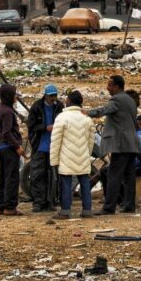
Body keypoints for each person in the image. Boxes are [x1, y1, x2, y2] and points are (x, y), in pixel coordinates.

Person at [88, 74, 140, 214]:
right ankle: (129, 206)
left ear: (117, 87)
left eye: (110, 85)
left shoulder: (116, 100)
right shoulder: (130, 100)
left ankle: (109, 207)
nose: (107, 88)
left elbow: (104, 110)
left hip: (121, 145)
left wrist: (87, 112)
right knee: (129, 177)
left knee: (113, 175)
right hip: (132, 144)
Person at [49, 90, 95, 219]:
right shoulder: (87, 119)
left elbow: (55, 142)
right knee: (85, 183)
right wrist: (87, 153)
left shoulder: (61, 118)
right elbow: (91, 141)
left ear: (68, 101)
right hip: (83, 155)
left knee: (66, 185)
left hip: (66, 157)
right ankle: (87, 210)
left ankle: (65, 211)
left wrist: (54, 160)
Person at [26, 84, 63, 212]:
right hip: (40, 146)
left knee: (53, 176)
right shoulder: (37, 107)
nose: (53, 98)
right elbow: (31, 125)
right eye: (51, 96)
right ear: (46, 96)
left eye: (55, 95)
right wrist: (45, 127)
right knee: (37, 175)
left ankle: (50, 201)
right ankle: (38, 202)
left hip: (54, 146)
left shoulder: (59, 107)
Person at [0, 84, 24, 216]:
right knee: (12, 177)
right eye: (14, 94)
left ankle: (0, 206)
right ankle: (10, 207)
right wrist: (17, 146)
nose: (15, 97)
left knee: (4, 177)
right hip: (9, 148)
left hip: (1, 147)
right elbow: (7, 132)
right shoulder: (7, 112)